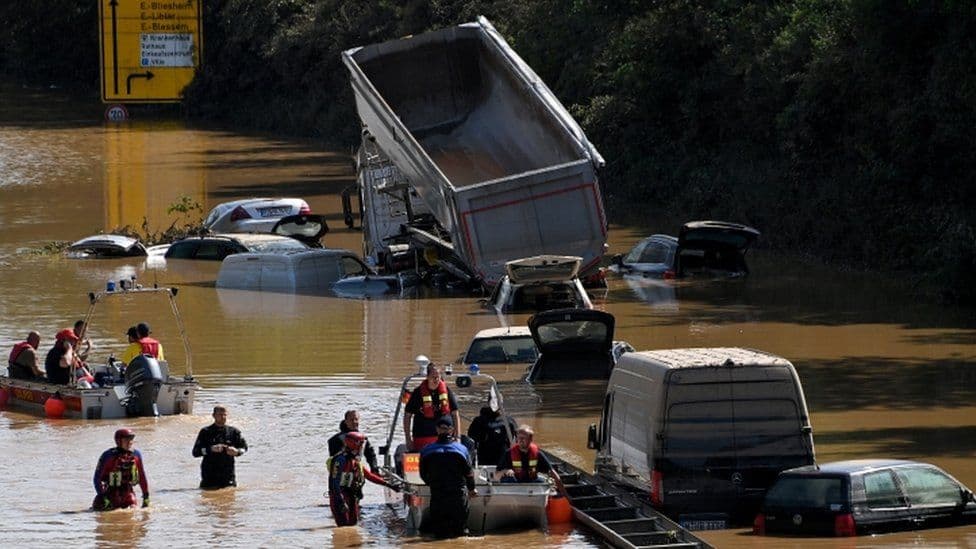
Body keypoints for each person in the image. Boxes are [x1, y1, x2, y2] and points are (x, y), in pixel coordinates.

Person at [419, 416, 476, 538]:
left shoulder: (426, 451)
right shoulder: (462, 449)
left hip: (438, 496)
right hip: (458, 497)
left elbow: (423, 475)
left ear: (437, 430)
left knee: (440, 535)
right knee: (461, 534)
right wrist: (472, 489)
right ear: (452, 430)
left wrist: (432, 484)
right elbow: (469, 473)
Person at [327, 431, 391, 526]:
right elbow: (334, 483)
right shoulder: (340, 460)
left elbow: (369, 476)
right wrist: (341, 501)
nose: (362, 448)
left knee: (353, 525)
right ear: (354, 445)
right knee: (343, 526)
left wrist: (389, 485)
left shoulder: (355, 461)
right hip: (339, 497)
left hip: (352, 496)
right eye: (361, 444)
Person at [403, 363, 461, 451]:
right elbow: (407, 416)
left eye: (438, 377)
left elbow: (455, 413)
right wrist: (408, 439)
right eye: (433, 377)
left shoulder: (447, 391)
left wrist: (458, 437)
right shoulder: (417, 393)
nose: (436, 379)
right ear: (427, 377)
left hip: (445, 438)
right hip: (422, 437)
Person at [191, 405, 248, 489]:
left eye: (225, 415)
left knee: (230, 498)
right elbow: (195, 452)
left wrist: (237, 452)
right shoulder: (205, 432)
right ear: (213, 416)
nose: (223, 417)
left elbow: (244, 448)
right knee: (207, 498)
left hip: (228, 475)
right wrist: (211, 449)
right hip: (209, 475)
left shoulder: (234, 432)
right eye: (220, 415)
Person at [92, 428, 150, 510]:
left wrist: (146, 496)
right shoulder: (108, 456)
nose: (130, 442)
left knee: (134, 510)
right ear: (118, 441)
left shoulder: (136, 455)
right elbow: (97, 478)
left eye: (131, 439)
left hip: (128, 493)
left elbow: (142, 476)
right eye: (126, 439)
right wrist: (102, 497)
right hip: (110, 494)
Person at [466, 401, 517, 466]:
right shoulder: (479, 420)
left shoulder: (509, 421)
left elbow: (518, 439)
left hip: (503, 460)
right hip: (484, 460)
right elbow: (471, 437)